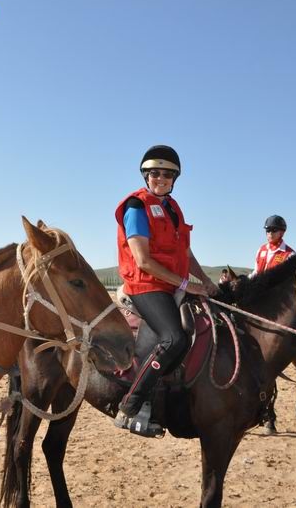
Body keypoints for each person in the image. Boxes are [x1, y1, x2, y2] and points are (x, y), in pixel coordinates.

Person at [114, 145, 219, 436]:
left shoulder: (173, 209)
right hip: (145, 285)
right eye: (155, 173)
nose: (160, 178)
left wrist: (206, 281)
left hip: (173, 282)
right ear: (146, 176)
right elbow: (144, 260)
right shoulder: (135, 207)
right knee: (174, 338)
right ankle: (132, 404)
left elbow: (185, 251)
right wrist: (186, 284)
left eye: (167, 174)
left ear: (175, 178)